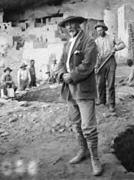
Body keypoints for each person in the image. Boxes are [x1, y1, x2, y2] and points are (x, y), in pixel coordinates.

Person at [56, 15, 102, 176]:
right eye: (67, 25)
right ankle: (83, 151)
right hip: (70, 91)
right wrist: (62, 74)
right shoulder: (67, 44)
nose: (69, 27)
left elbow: (88, 64)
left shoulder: (88, 41)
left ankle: (95, 159)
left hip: (84, 90)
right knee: (76, 125)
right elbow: (61, 63)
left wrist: (72, 75)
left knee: (88, 127)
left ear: (79, 24)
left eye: (72, 24)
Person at [94, 21, 125, 112]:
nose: (99, 32)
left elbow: (122, 44)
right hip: (101, 62)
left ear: (104, 29)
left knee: (110, 84)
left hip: (110, 61)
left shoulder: (112, 37)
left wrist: (115, 48)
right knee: (100, 83)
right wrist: (96, 65)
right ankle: (102, 100)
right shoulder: (97, 41)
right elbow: (95, 54)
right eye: (98, 31)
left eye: (100, 30)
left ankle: (111, 104)